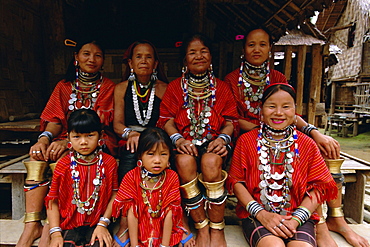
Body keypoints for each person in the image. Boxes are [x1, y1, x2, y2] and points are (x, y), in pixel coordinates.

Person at [224, 25, 369, 247]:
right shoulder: (232, 80)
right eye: (251, 44)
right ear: (243, 48)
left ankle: (332, 221)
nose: (257, 49)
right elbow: (232, 119)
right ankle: (319, 227)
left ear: (270, 49)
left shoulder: (277, 77)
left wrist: (313, 132)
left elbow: (287, 111)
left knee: (323, 153)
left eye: (263, 44)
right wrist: (264, 133)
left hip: (283, 148)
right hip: (246, 138)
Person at [17, 39, 117, 247]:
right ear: (76, 57)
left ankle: (67, 218)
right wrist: (44, 139)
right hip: (66, 137)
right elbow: (54, 120)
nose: (92, 59)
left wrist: (67, 143)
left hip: (97, 138)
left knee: (63, 159)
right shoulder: (63, 86)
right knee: (36, 159)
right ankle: (32, 223)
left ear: (103, 61)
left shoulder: (108, 86)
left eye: (98, 55)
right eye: (86, 54)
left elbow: (97, 125)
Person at [227, 83, 338, 247]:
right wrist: (262, 214)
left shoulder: (307, 144)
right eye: (271, 106)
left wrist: (295, 220)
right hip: (257, 216)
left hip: (299, 216)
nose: (278, 112)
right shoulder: (246, 141)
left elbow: (320, 187)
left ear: (295, 112)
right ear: (261, 112)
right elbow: (236, 182)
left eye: (286, 107)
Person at [158, 33, 239, 247]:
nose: (198, 56)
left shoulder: (221, 87)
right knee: (184, 162)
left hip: (214, 142)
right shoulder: (175, 88)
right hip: (185, 144)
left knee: (211, 163)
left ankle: (217, 227)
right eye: (192, 52)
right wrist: (177, 140)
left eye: (203, 51)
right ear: (185, 59)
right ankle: (201, 226)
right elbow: (166, 119)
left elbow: (231, 119)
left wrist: (223, 139)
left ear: (211, 56)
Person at [112, 40, 168, 246]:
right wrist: (129, 134)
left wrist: (149, 138)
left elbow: (169, 120)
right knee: (128, 158)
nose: (143, 61)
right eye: (138, 57)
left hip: (158, 140)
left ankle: (160, 219)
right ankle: (126, 222)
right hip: (130, 140)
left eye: (148, 57)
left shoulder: (165, 88)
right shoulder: (121, 89)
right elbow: (117, 123)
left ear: (155, 64)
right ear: (130, 63)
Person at [45, 109, 118, 247]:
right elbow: (52, 201)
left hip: (98, 222)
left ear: (101, 136)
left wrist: (103, 223)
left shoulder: (109, 163)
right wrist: (55, 233)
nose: (83, 142)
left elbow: (115, 194)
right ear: (68, 137)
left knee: (101, 244)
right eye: (77, 137)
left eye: (90, 135)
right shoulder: (63, 165)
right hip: (68, 224)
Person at [112, 127, 186, 247]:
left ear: (169, 157)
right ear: (140, 156)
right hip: (139, 225)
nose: (157, 160)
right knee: (131, 207)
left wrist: (164, 245)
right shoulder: (131, 176)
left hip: (164, 227)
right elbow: (131, 213)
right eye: (150, 154)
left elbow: (170, 213)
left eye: (163, 154)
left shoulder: (171, 177)